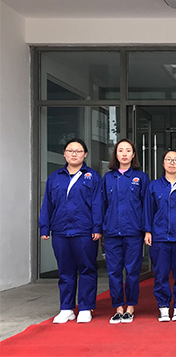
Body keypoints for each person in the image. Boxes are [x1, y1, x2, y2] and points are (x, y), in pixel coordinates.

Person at [39, 138, 103, 324]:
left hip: (84, 231)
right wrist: (44, 226)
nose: (74, 154)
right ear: (64, 154)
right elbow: (47, 204)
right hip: (60, 230)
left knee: (87, 269)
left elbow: (98, 203)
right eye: (70, 150)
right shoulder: (55, 177)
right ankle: (66, 308)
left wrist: (97, 227)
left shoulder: (92, 176)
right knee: (65, 271)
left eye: (78, 151)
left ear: (85, 154)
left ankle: (85, 307)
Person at [102, 138, 149, 324]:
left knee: (132, 271)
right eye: (120, 150)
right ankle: (118, 307)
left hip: (133, 232)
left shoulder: (141, 177)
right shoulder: (108, 178)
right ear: (115, 154)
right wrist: (100, 228)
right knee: (113, 272)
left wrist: (147, 230)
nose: (124, 154)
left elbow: (146, 206)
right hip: (112, 232)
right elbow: (102, 205)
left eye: (128, 150)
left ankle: (130, 307)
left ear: (133, 154)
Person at [144, 149, 176, 322]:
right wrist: (148, 231)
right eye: (169, 159)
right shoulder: (154, 186)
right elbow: (148, 210)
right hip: (159, 237)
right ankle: (163, 306)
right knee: (161, 274)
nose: (172, 163)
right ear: (163, 163)